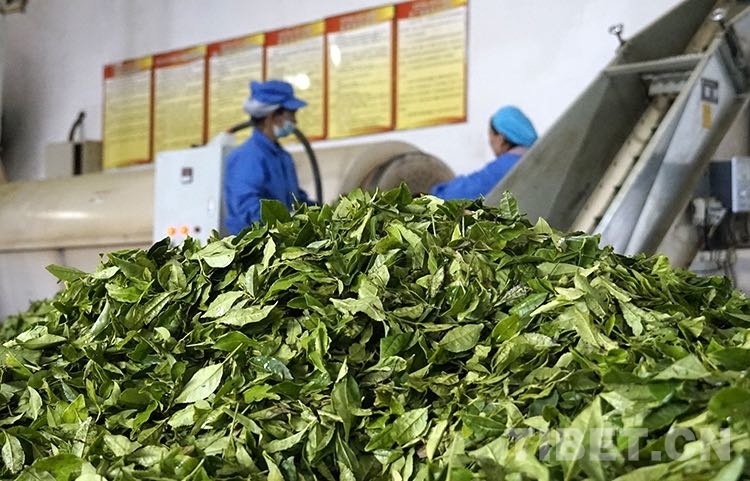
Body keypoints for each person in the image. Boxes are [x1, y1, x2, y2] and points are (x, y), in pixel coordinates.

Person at [223, 79, 312, 234]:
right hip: (255, 243)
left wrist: (324, 212)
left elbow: (296, 200)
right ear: (273, 116)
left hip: (280, 240)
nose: (295, 121)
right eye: (291, 114)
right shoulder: (247, 156)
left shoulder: (283, 157)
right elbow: (247, 207)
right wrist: (287, 223)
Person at [430, 105, 538, 200]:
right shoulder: (537, 160)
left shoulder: (504, 166)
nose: (490, 142)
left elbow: (453, 196)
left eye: (491, 135)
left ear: (501, 138)